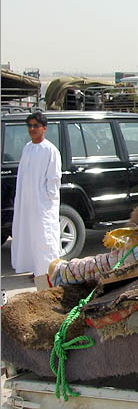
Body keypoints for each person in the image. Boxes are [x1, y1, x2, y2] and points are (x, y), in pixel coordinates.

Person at [11, 111, 62, 290]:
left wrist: (46, 200)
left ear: (44, 128)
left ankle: (47, 273)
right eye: (30, 126)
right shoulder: (27, 148)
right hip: (27, 203)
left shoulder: (50, 150)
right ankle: (35, 270)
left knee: (44, 237)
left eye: (36, 126)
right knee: (28, 235)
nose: (32, 129)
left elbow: (54, 179)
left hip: (43, 204)